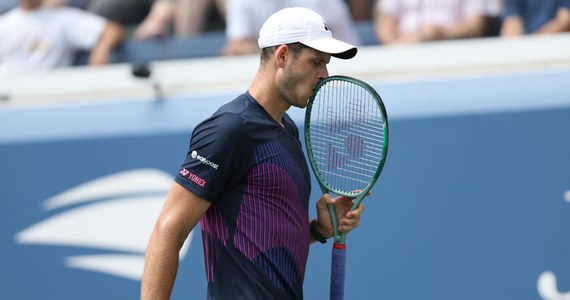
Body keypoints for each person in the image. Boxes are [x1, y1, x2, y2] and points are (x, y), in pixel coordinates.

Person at [141, 7, 364, 300]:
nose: (324, 75)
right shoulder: (230, 129)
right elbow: (168, 231)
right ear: (282, 56)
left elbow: (265, 239)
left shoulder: (287, 130)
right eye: (316, 62)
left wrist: (319, 230)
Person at [0, 0, 124, 75]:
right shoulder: (4, 23)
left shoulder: (63, 18)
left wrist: (101, 49)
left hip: (48, 91)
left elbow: (112, 30)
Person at [223, 0, 360, 56]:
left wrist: (255, 48)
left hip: (341, 62)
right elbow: (236, 48)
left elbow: (311, 48)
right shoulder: (240, 2)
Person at [375, 0, 502, 45]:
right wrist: (417, 39)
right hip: (404, 53)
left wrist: (438, 34)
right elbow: (386, 32)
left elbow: (476, 27)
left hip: (454, 51)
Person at [500, 0, 570, 37]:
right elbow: (512, 23)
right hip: (528, 45)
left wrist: (533, 42)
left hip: (558, 44)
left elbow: (565, 19)